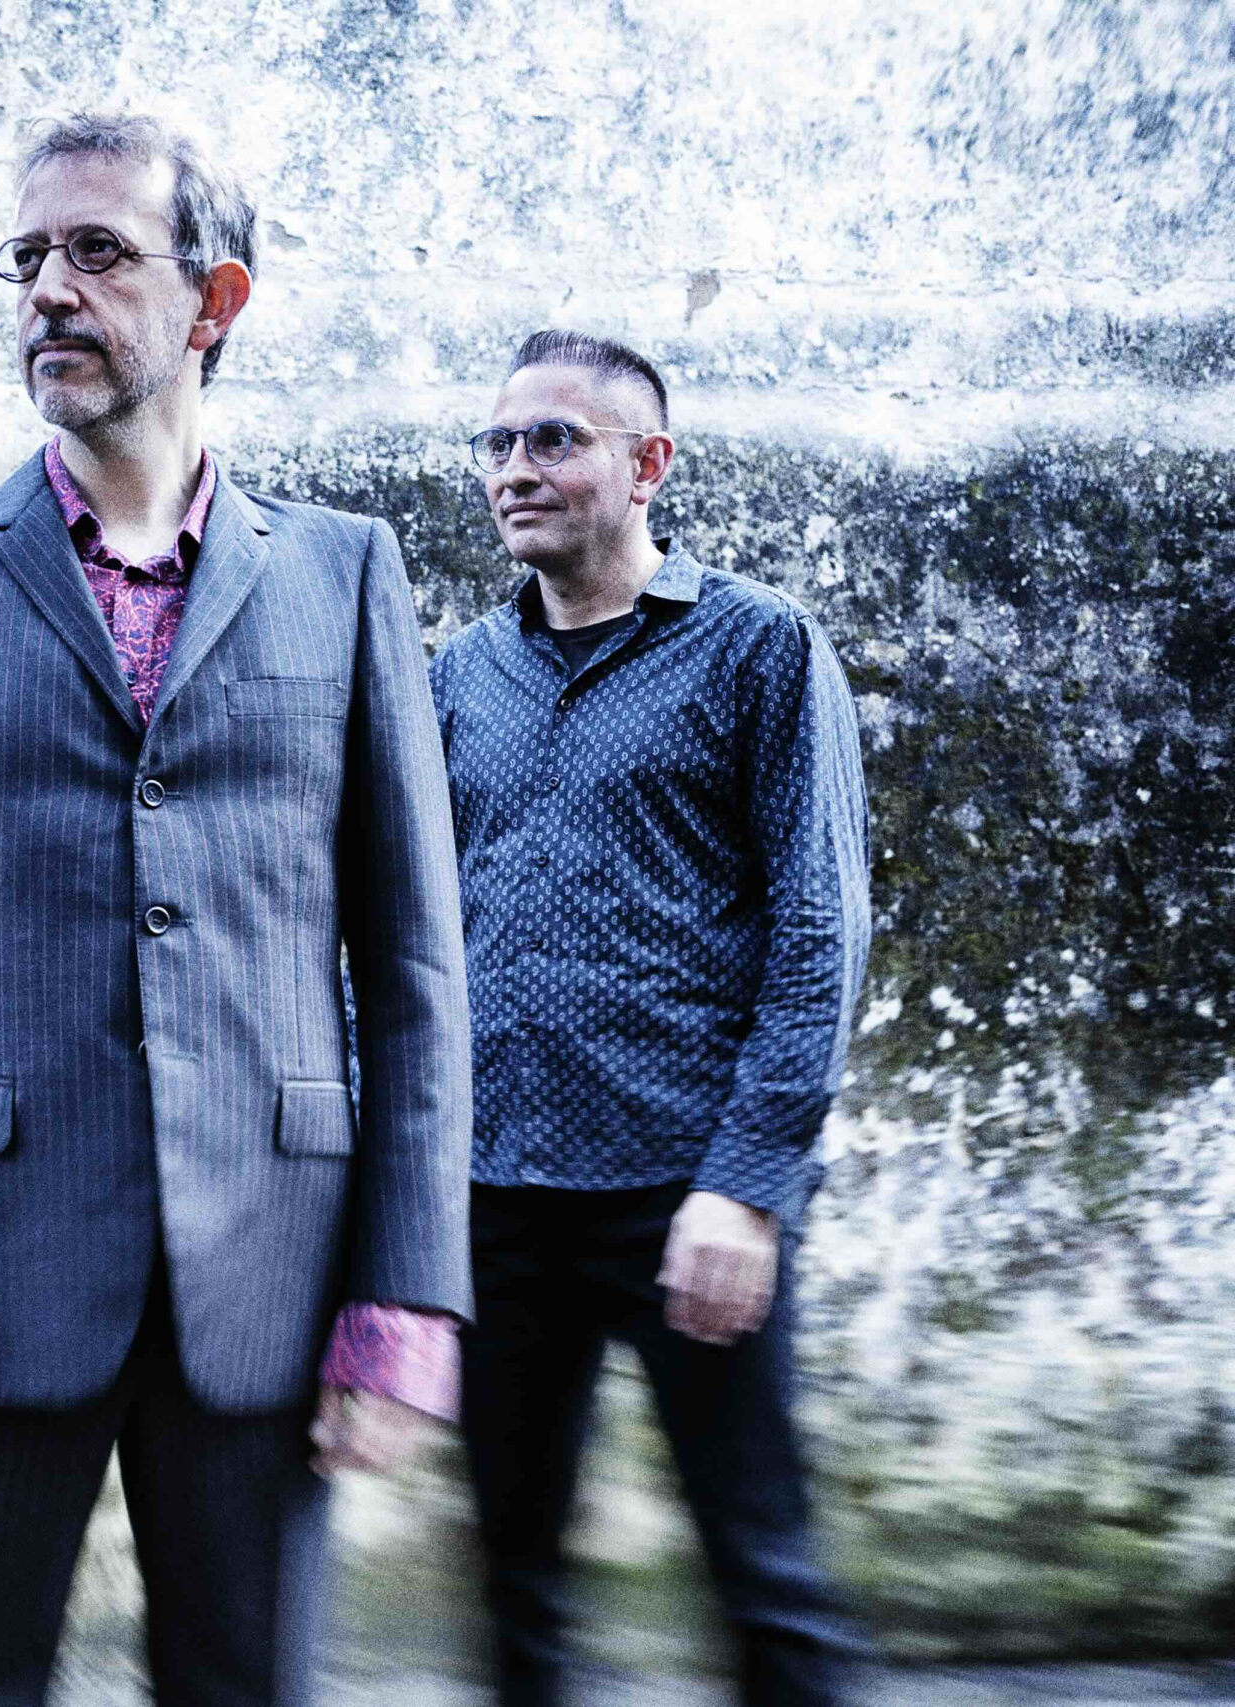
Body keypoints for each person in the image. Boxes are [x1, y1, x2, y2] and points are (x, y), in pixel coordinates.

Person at [0, 112, 473, 1706]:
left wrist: (405, 1294)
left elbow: (415, 967)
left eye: (97, 251)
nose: (48, 291)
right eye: (26, 257)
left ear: (216, 300)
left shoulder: (345, 574)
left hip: (269, 1274)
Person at [433, 329, 871, 1706]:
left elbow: (820, 931)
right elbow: (405, 932)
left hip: (684, 1194)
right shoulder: (460, 672)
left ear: (649, 465)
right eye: (498, 443)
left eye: (555, 439)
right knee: (513, 1585)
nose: (515, 469)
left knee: (763, 1578)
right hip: (492, 1200)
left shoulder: (758, 647)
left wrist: (747, 1187)